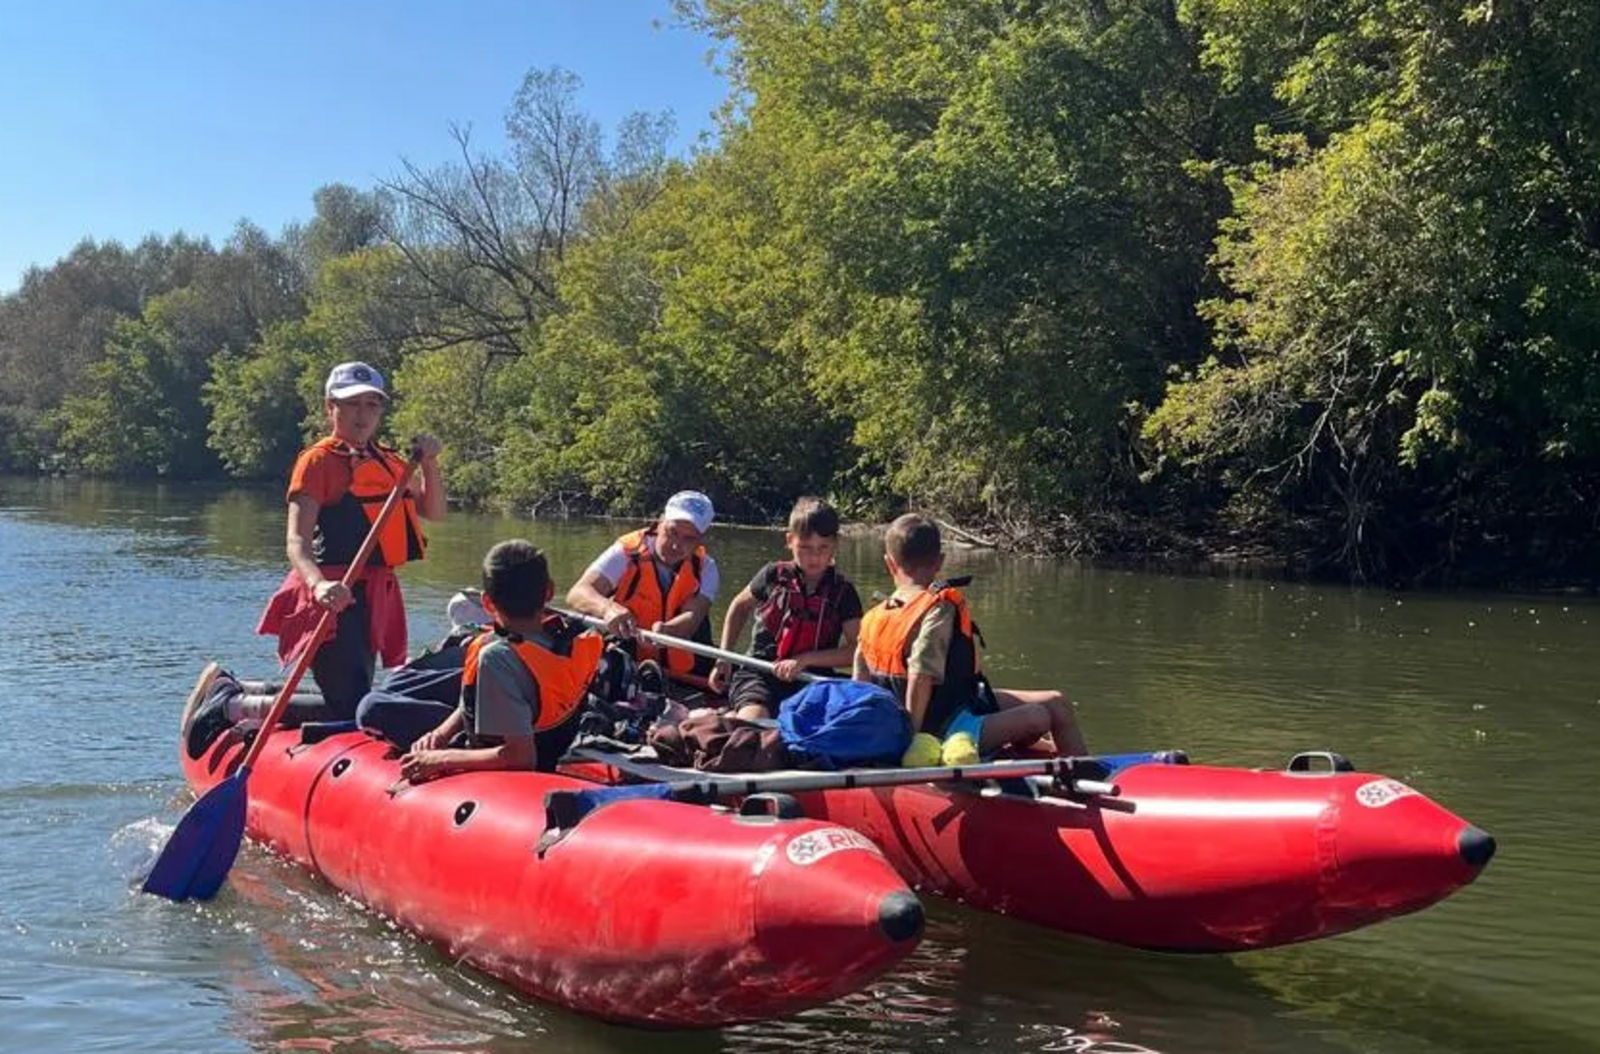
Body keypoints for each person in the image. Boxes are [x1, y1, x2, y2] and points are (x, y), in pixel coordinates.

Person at [255, 361, 446, 721]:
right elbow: (296, 541)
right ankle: (236, 704)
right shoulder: (317, 462)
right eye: (352, 404)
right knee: (351, 702)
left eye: (371, 405)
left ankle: (257, 694)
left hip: (375, 594)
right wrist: (319, 585)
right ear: (331, 408)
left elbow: (434, 513)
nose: (362, 414)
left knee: (356, 691)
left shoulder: (390, 462)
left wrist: (430, 464)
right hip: (332, 593)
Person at [853, 513, 1088, 758]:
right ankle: (1074, 778)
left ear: (889, 563)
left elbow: (859, 679)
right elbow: (920, 676)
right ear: (940, 561)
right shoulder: (938, 607)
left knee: (1056, 702)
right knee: (1038, 716)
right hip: (936, 731)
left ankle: (1085, 772)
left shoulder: (873, 616)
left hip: (958, 706)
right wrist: (912, 740)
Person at [398, 539, 604, 780]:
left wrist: (439, 759)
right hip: (554, 750)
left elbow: (520, 757)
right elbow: (472, 702)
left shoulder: (497, 658)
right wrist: (441, 734)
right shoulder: (567, 638)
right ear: (548, 591)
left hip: (520, 770)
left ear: (486, 602)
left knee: (373, 707)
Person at [709, 496, 864, 720]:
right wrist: (724, 657)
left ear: (836, 544)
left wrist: (806, 660)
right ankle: (739, 718)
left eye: (823, 547)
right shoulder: (773, 575)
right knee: (755, 721)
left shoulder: (843, 592)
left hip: (812, 678)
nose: (815, 556)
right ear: (790, 540)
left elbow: (856, 651)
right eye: (805, 547)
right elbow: (738, 608)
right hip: (761, 673)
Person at [565, 490, 720, 677]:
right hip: (627, 657)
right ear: (660, 521)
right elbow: (578, 593)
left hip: (682, 670)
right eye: (672, 532)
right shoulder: (625, 553)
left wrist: (668, 631)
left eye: (689, 538)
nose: (676, 545)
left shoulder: (706, 568)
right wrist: (608, 609)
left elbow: (693, 616)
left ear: (701, 539)